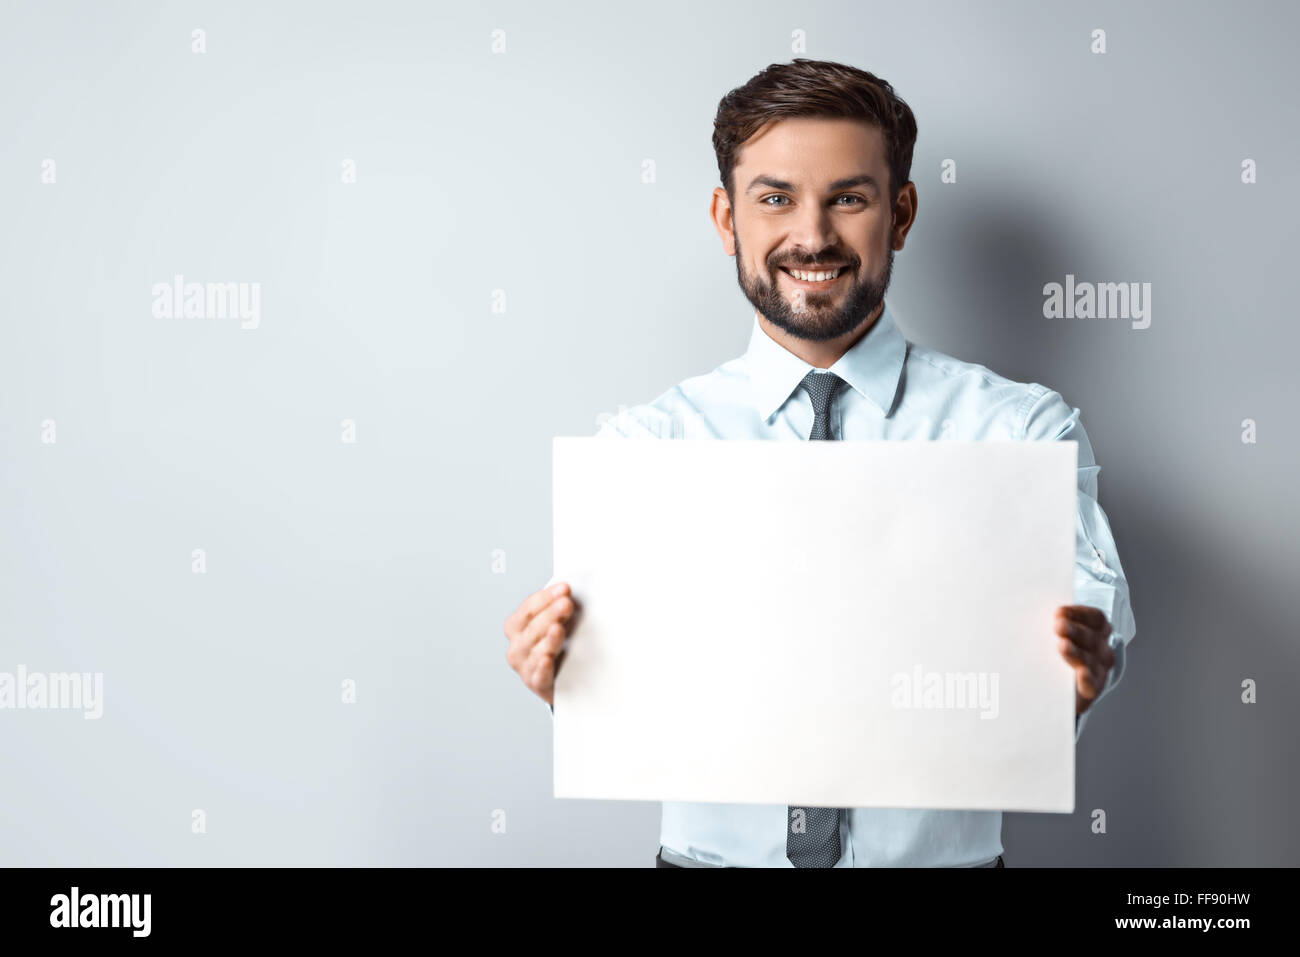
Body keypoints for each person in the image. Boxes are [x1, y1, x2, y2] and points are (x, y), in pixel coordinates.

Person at [503, 59, 1136, 868]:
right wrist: (566, 677)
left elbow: (1091, 632)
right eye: (775, 199)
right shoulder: (644, 450)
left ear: (900, 213)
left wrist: (1073, 679)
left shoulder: (1022, 434)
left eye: (849, 197)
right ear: (727, 220)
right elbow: (623, 683)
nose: (813, 236)